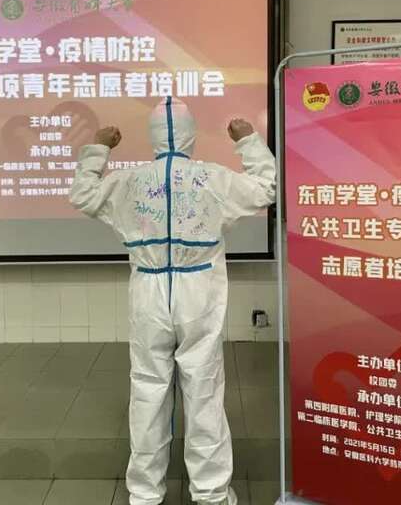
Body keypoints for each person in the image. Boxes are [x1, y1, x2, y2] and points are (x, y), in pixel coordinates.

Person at [70, 97, 276, 505]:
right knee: (204, 390)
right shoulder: (211, 178)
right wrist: (248, 141)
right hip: (198, 290)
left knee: (148, 388)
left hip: (148, 291)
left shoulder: (130, 181)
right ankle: (211, 493)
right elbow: (266, 187)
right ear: (191, 136)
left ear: (153, 137)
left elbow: (83, 194)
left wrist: (99, 148)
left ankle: (145, 494)